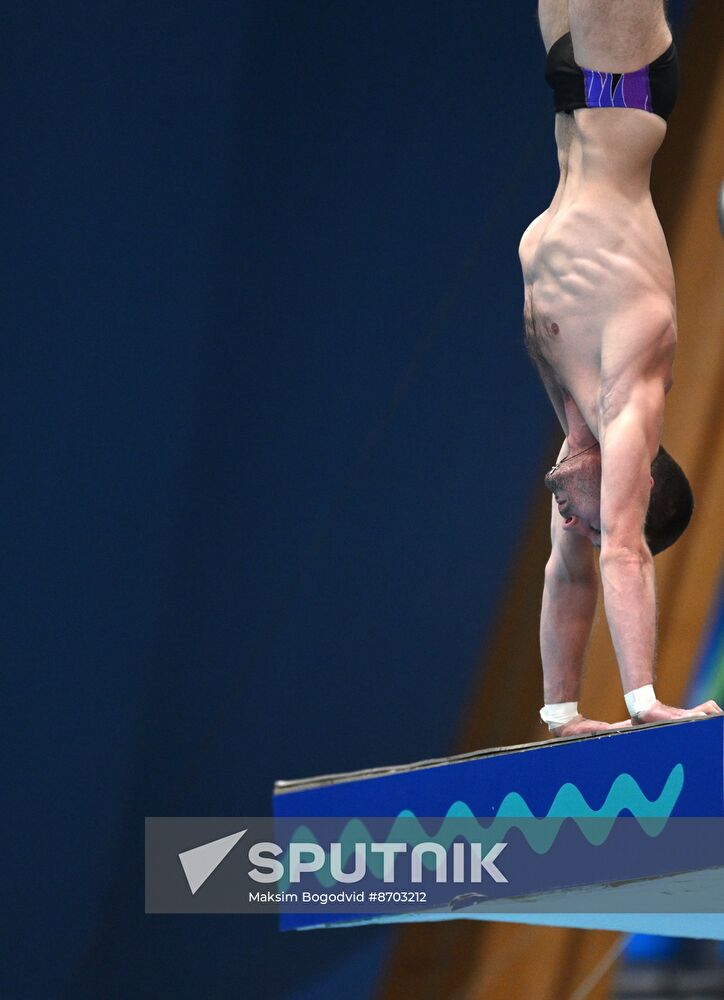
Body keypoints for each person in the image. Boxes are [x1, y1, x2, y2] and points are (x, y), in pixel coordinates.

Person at [518, 0, 722, 737]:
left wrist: (562, 712)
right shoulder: (630, 399)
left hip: (576, 99)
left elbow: (568, 572)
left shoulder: (581, 431)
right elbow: (624, 553)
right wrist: (645, 702)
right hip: (621, 97)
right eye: (595, 519)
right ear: (636, 480)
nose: (571, 520)